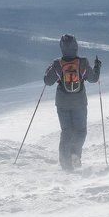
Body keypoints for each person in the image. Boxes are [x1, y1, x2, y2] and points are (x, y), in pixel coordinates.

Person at [43, 34, 101, 171]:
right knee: (80, 131)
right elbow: (93, 79)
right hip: (79, 102)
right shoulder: (83, 63)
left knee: (66, 132)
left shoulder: (57, 64)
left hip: (62, 103)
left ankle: (65, 163)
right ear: (76, 46)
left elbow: (48, 81)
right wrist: (97, 66)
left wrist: (49, 69)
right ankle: (75, 154)